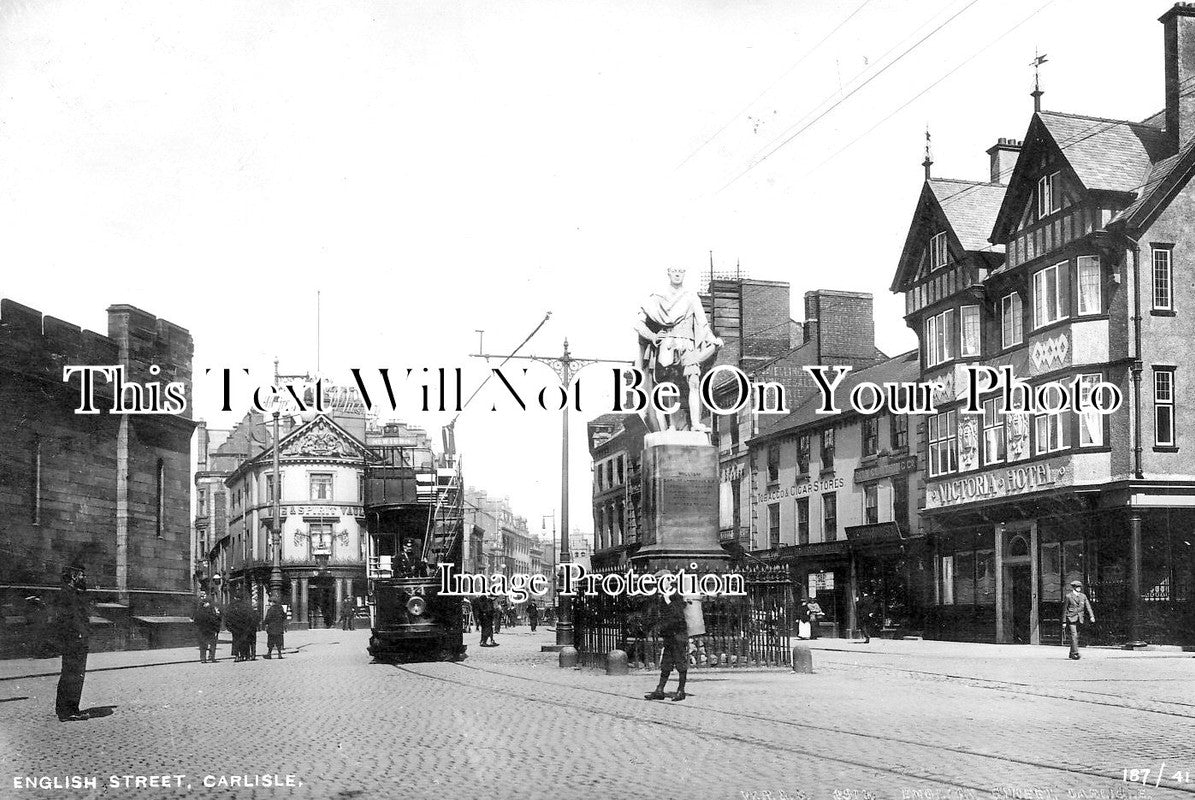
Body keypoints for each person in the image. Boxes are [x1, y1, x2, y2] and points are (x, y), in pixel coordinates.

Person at [633, 266, 723, 433]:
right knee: (668, 386)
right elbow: (638, 323)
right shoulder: (657, 297)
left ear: (684, 273)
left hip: (688, 345)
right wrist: (652, 336)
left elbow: (702, 323)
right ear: (668, 272)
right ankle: (671, 425)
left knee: (694, 383)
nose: (677, 274)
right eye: (674, 270)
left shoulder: (691, 297)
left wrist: (712, 340)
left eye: (681, 271)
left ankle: (695, 423)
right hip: (667, 344)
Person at [52, 565, 91, 722]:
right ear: (74, 576)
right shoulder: (68, 594)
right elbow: (70, 619)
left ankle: (65, 709)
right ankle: (69, 711)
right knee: (73, 675)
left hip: (73, 640)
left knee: (70, 674)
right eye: (82, 575)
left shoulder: (70, 593)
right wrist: (79, 635)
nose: (84, 578)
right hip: (74, 641)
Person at [644, 575, 689, 702]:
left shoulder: (677, 594)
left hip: (679, 635)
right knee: (666, 663)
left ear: (669, 581)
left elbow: (678, 615)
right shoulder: (662, 596)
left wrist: (668, 600)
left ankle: (681, 690)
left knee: (680, 663)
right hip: (669, 635)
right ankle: (660, 689)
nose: (661, 583)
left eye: (663, 580)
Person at [1063, 580, 1096, 659]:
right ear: (1073, 588)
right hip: (1071, 618)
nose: (1079, 588)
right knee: (1074, 635)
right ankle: (1075, 653)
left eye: (1080, 587)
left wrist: (1092, 616)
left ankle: (1071, 653)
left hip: (1080, 619)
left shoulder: (1083, 596)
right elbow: (1064, 610)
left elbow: (1088, 606)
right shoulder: (1068, 596)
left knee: (1076, 636)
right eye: (1077, 587)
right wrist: (1064, 621)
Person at [225, 591, 256, 662]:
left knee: (236, 641)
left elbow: (227, 617)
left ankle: (237, 656)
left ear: (235, 598)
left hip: (235, 627)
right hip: (244, 627)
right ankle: (245, 655)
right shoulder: (246, 605)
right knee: (244, 641)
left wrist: (229, 627)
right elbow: (250, 617)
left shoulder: (232, 605)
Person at [192, 590, 221, 663]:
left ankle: (203, 658)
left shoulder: (199, 612)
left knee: (202, 644)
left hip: (202, 630)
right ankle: (211, 657)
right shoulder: (211, 612)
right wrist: (216, 629)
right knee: (212, 644)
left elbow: (196, 621)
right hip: (210, 630)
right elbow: (214, 620)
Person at [263, 595, 287, 659]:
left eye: (270, 602)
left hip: (272, 628)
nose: (270, 603)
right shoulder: (281, 609)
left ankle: (269, 654)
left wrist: (265, 623)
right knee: (279, 641)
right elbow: (284, 617)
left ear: (273, 602)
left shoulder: (270, 609)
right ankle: (279, 654)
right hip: (279, 628)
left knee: (271, 642)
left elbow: (267, 618)